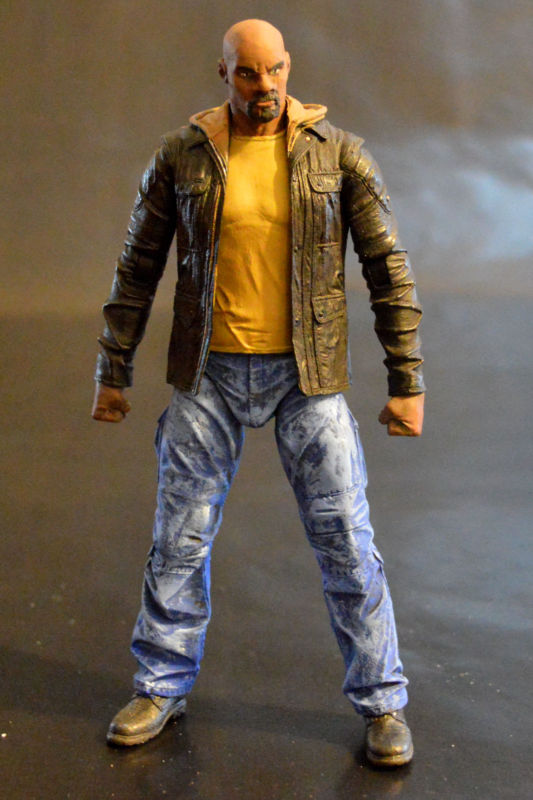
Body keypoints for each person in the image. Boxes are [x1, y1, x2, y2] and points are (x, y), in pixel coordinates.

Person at [92, 19, 425, 767]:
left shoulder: (338, 154)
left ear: (289, 67)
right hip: (207, 371)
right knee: (178, 540)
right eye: (247, 72)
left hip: (307, 375)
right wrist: (113, 371)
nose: (264, 86)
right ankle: (159, 685)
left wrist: (407, 380)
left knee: (347, 540)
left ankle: (383, 700)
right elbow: (137, 266)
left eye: (274, 69)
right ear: (224, 73)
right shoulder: (182, 154)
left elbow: (387, 268)